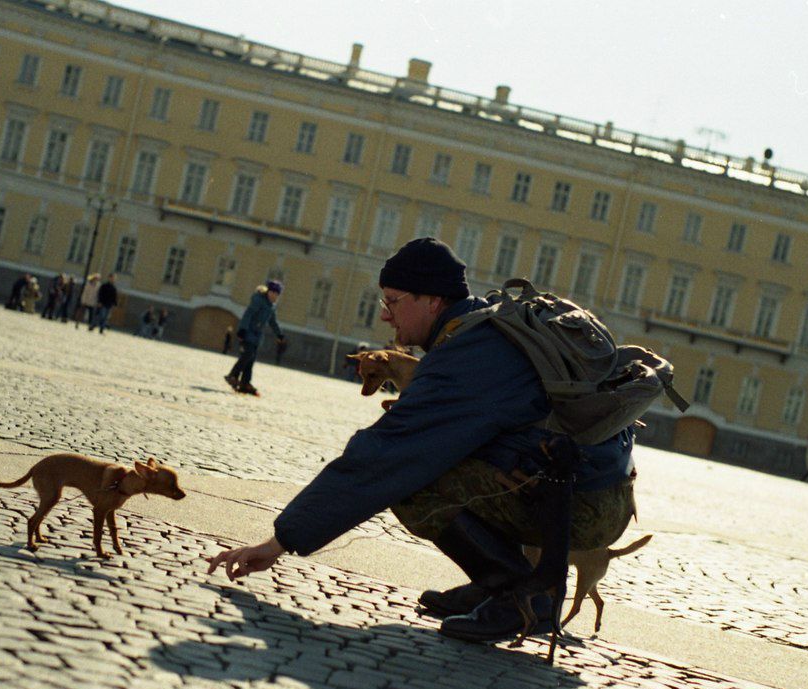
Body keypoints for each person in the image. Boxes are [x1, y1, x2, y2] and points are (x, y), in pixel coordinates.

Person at [205, 238, 639, 645]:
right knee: (427, 462)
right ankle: (496, 583)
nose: (385, 315)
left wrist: (279, 541)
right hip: (585, 491)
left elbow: (383, 455)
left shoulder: (470, 352)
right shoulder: (480, 328)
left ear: (432, 301)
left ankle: (521, 593)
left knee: (414, 480)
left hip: (581, 506)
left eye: (393, 302)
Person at [224, 280, 285, 396]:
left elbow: (273, 322)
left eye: (277, 293)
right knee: (248, 354)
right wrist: (242, 330)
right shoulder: (258, 300)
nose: (274, 295)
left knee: (251, 359)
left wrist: (279, 334)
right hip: (248, 332)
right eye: (272, 292)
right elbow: (248, 314)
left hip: (257, 335)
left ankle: (245, 383)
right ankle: (233, 375)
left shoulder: (272, 306)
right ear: (268, 292)